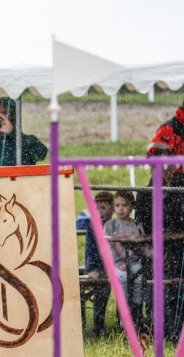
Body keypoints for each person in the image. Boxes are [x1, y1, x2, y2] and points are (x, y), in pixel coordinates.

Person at [135, 138, 184, 341]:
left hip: (179, 250)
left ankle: (176, 328)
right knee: (153, 276)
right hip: (153, 251)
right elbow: (143, 227)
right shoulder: (145, 194)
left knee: (176, 278)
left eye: (165, 164)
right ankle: (160, 329)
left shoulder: (181, 188)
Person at [104, 190, 146, 323]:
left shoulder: (136, 225)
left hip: (133, 261)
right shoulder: (110, 225)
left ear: (131, 206)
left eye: (124, 205)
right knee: (123, 279)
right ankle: (124, 315)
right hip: (116, 264)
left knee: (139, 275)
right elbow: (108, 248)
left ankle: (137, 307)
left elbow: (142, 245)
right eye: (117, 205)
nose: (120, 209)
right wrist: (118, 263)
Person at [76, 191, 114, 335]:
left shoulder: (116, 225)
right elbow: (89, 250)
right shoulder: (93, 226)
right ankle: (97, 326)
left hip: (116, 266)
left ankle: (124, 324)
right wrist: (91, 269)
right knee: (101, 289)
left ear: (112, 208)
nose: (99, 212)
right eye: (96, 209)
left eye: (103, 208)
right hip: (99, 267)